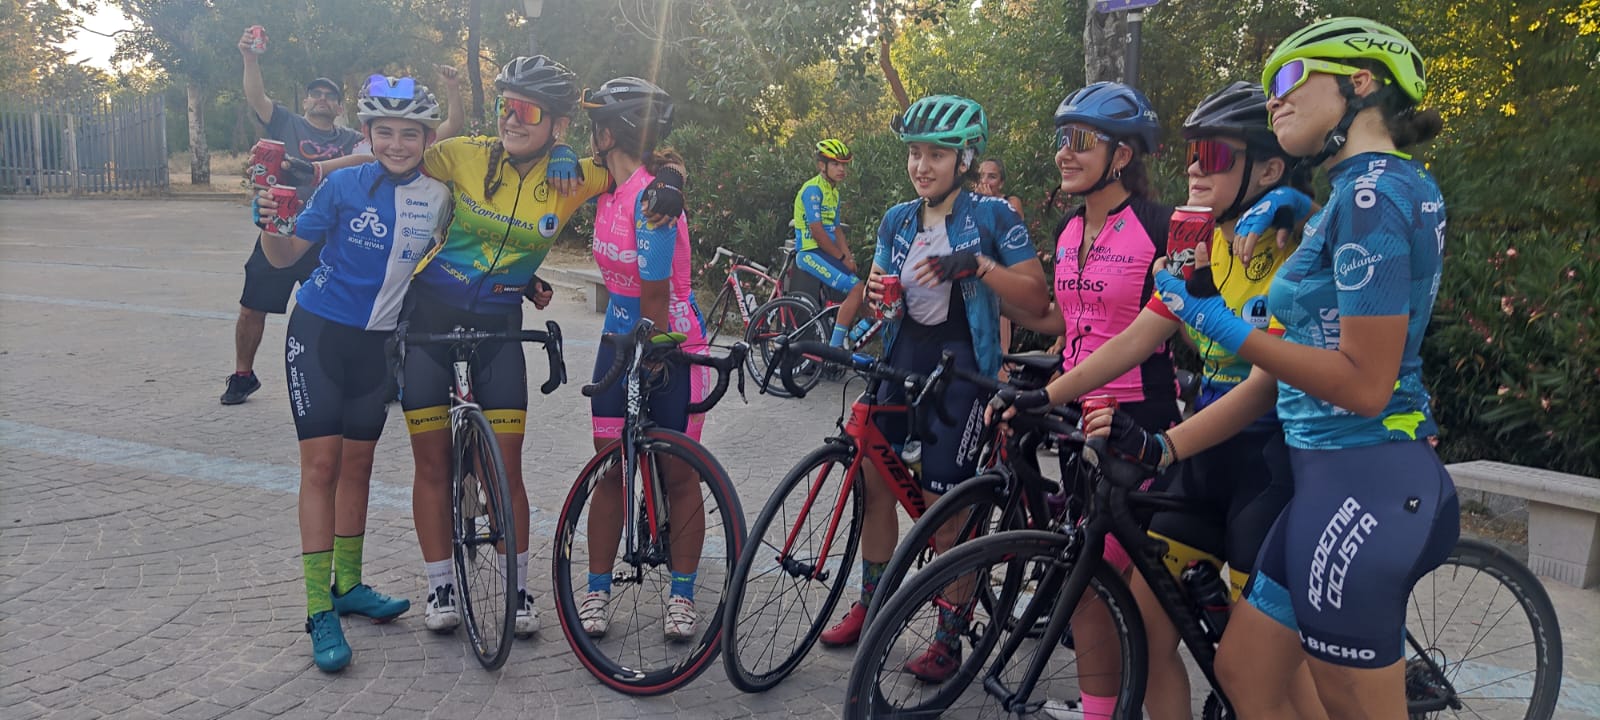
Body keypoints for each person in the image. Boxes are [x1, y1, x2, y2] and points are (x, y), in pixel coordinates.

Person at [1092, 17, 1454, 720]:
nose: (1275, 98)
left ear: (1361, 82)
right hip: (1324, 481)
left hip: (1366, 479)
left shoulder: (1376, 195)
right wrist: (1167, 445)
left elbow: (1364, 383)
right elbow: (1273, 379)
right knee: (1247, 673)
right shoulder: (1352, 194)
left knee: (1342, 704)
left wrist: (1222, 325)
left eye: (1289, 78)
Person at [1008, 82, 1324, 720]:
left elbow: (1266, 385)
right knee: (1149, 641)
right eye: (1191, 154)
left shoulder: (1295, 247)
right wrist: (1047, 395)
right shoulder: (1199, 247)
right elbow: (1135, 337)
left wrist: (1164, 444)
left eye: (1212, 155)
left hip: (1270, 467)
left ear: (1267, 169)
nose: (1192, 167)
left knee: (1265, 682)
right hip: (1203, 463)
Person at [403, 56, 684, 639]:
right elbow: (399, 157)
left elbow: (643, 173)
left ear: (557, 124)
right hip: (429, 313)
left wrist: (674, 188)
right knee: (431, 464)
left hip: (501, 323)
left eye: (526, 110)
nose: (511, 118)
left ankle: (520, 589)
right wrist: (324, 168)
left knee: (507, 470)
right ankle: (440, 585)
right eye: (505, 105)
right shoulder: (468, 154)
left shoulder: (574, 174)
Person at [816, 95, 1051, 683]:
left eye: (936, 155)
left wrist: (977, 266)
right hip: (904, 356)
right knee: (872, 476)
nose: (922, 165)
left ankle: (951, 631)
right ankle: (875, 603)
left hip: (965, 366)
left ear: (963, 159)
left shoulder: (995, 216)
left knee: (949, 510)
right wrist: (873, 295)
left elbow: (1039, 302)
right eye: (915, 153)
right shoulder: (897, 218)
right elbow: (883, 291)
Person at [252, 76, 451, 672]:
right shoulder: (341, 184)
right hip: (318, 335)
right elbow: (284, 257)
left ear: (426, 138)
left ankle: (350, 585)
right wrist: (270, 218)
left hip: (377, 348)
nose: (396, 144)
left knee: (359, 466)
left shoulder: (440, 195)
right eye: (384, 132)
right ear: (366, 135)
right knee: (322, 466)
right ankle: (319, 607)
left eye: (409, 134)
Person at [1002, 81, 1181, 719]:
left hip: (1139, 417)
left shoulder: (1159, 226)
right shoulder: (1070, 224)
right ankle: (1102, 709)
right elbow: (1059, 318)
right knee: (1089, 585)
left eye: (1079, 141)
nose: (1063, 154)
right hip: (1080, 419)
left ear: (1123, 156)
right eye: (1060, 140)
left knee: (1121, 583)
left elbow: (1163, 327)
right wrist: (983, 280)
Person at [223, 26, 466, 406]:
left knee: (341, 298)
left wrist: (319, 170)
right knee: (254, 304)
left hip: (336, 234)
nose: (322, 99)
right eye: (315, 94)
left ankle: (370, 372)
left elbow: (400, 145)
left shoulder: (356, 136)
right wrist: (250, 59)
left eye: (330, 95)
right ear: (306, 101)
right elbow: (255, 96)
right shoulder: (287, 123)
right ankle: (242, 373)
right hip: (290, 223)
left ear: (341, 107)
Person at [567, 77, 711, 641]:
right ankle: (597, 589)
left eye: (595, 127)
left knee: (678, 474)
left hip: (668, 340)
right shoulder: (606, 185)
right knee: (610, 468)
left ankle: (682, 594)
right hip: (619, 337)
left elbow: (654, 296)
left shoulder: (656, 198)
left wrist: (649, 356)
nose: (590, 137)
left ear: (609, 132)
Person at [792, 138, 870, 347]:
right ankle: (835, 351)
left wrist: (848, 258)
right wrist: (841, 257)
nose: (841, 169)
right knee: (856, 288)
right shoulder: (813, 190)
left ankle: (852, 336)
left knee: (863, 292)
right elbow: (817, 231)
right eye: (836, 164)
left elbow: (836, 230)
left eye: (844, 164)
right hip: (810, 253)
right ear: (822, 165)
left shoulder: (833, 192)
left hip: (826, 253)